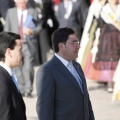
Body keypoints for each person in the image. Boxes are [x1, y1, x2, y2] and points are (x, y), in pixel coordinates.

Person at [36, 27, 95, 120]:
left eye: (77, 42)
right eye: (74, 43)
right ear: (61, 46)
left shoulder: (77, 66)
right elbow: (44, 110)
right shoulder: (47, 71)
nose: (78, 46)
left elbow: (86, 100)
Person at [4, 0, 41, 97]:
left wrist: (32, 31)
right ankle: (20, 88)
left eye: (24, 3)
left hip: (27, 44)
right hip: (14, 45)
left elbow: (39, 27)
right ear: (16, 3)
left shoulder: (32, 11)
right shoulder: (11, 12)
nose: (22, 5)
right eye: (20, 3)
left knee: (28, 67)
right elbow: (7, 28)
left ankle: (28, 89)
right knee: (17, 68)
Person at [0, 32, 26, 120]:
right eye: (20, 50)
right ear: (9, 52)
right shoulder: (2, 81)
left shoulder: (8, 76)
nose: (22, 54)